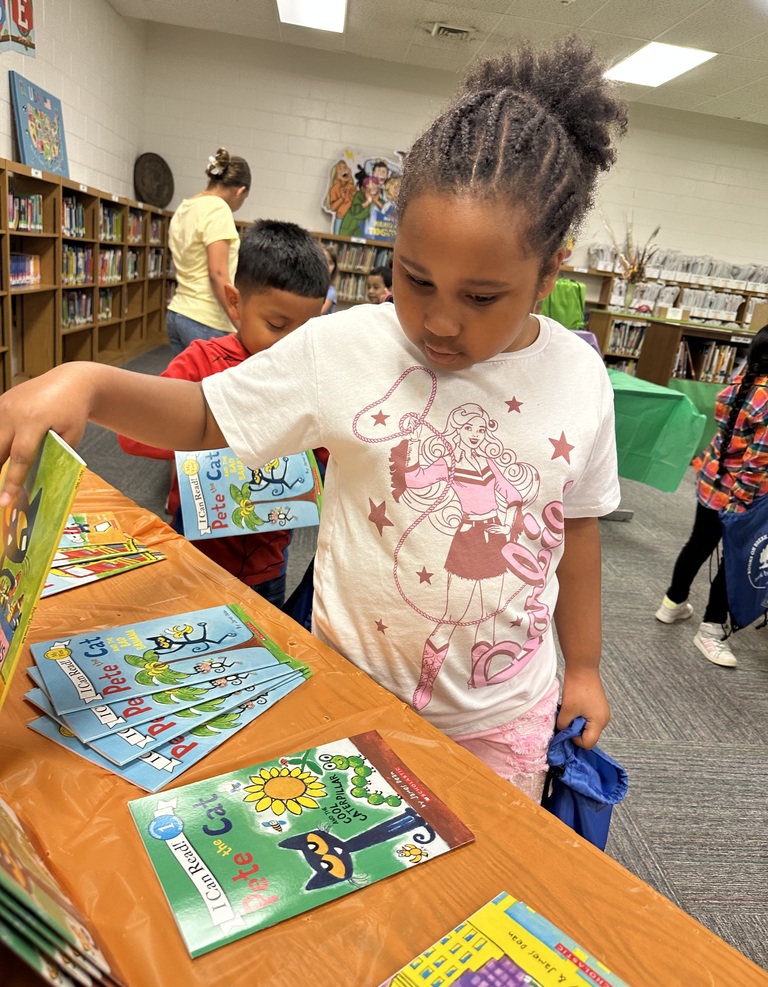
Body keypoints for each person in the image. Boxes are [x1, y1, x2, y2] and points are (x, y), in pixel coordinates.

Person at [0, 37, 627, 802]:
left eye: (481, 297)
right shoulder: (348, 346)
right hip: (343, 688)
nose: (438, 321)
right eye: (415, 277)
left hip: (503, 718)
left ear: (550, 271)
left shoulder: (579, 376)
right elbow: (204, 416)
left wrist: (586, 667)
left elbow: (582, 526)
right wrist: (89, 382)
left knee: (474, 888)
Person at [119, 220, 329, 608]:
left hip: (268, 565)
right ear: (235, 303)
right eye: (277, 326)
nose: (291, 347)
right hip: (194, 556)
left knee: (258, 650)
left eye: (306, 331)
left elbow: (327, 464)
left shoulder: (309, 376)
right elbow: (132, 436)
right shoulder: (203, 360)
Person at [655, 328, 768, 667]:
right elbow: (759, 458)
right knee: (733, 558)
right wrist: (743, 502)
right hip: (739, 493)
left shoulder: (740, 383)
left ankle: (672, 604)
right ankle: (711, 628)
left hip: (711, 483)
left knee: (698, 544)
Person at [166, 147, 252, 356]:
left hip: (178, 313)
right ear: (239, 191)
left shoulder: (185, 207)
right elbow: (217, 273)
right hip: (207, 318)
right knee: (215, 387)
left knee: (186, 386)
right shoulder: (218, 209)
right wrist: (239, 321)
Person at [321, 246, 338, 315]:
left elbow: (320, 312)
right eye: (324, 261)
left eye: (330, 263)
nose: (327, 266)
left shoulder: (330, 291)